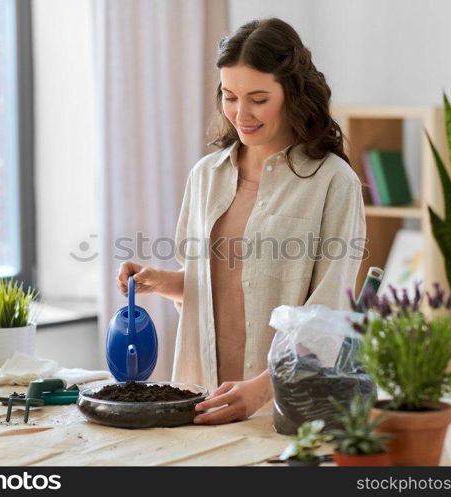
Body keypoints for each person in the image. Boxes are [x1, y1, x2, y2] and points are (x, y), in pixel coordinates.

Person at [117, 18, 365, 425]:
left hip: (283, 406)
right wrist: (160, 281)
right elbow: (212, 286)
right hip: (198, 397)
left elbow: (329, 312)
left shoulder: (332, 181)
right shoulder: (206, 175)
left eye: (258, 98)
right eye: (229, 96)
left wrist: (263, 389)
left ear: (293, 93)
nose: (240, 113)